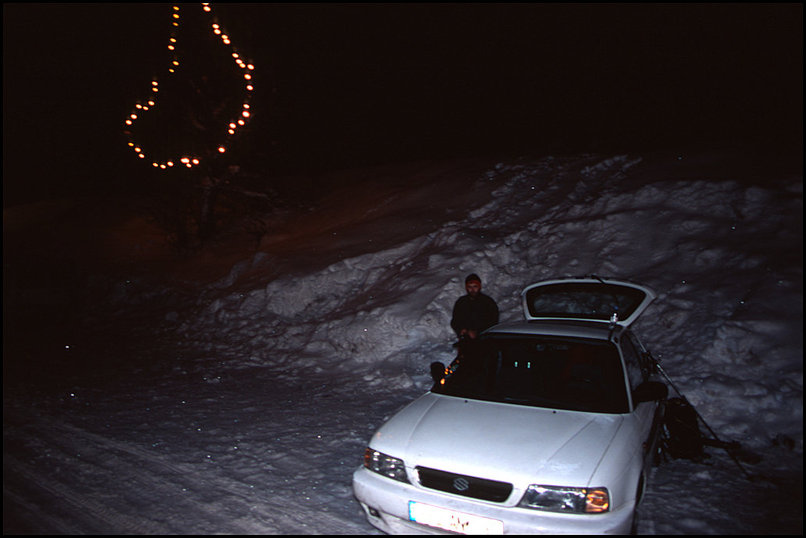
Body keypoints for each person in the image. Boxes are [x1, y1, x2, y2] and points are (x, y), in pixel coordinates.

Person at [450, 273, 499, 340]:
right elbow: (455, 321)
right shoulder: (461, 302)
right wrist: (461, 329)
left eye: (475, 286)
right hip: (466, 340)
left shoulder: (488, 302)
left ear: (479, 286)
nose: (472, 290)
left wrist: (477, 332)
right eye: (469, 287)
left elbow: (493, 322)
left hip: (484, 340)